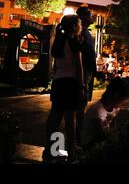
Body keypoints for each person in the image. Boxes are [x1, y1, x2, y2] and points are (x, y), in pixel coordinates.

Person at [43, 15, 84, 162]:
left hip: (58, 82)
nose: (81, 27)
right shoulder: (74, 43)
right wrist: (82, 86)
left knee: (55, 117)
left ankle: (50, 149)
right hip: (71, 83)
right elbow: (79, 66)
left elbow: (55, 66)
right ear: (74, 26)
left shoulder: (58, 42)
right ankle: (71, 153)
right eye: (79, 24)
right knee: (70, 120)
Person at [80, 77, 129, 150]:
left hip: (104, 142)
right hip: (90, 145)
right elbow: (100, 136)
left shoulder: (115, 109)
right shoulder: (96, 110)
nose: (122, 104)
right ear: (116, 95)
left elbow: (113, 129)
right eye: (122, 100)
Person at [76, 6, 96, 146]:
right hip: (83, 75)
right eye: (90, 14)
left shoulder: (87, 33)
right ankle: (79, 140)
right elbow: (79, 57)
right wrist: (82, 81)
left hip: (88, 74)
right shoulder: (80, 33)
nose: (92, 16)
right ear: (82, 17)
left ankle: (80, 139)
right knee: (79, 107)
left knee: (82, 105)